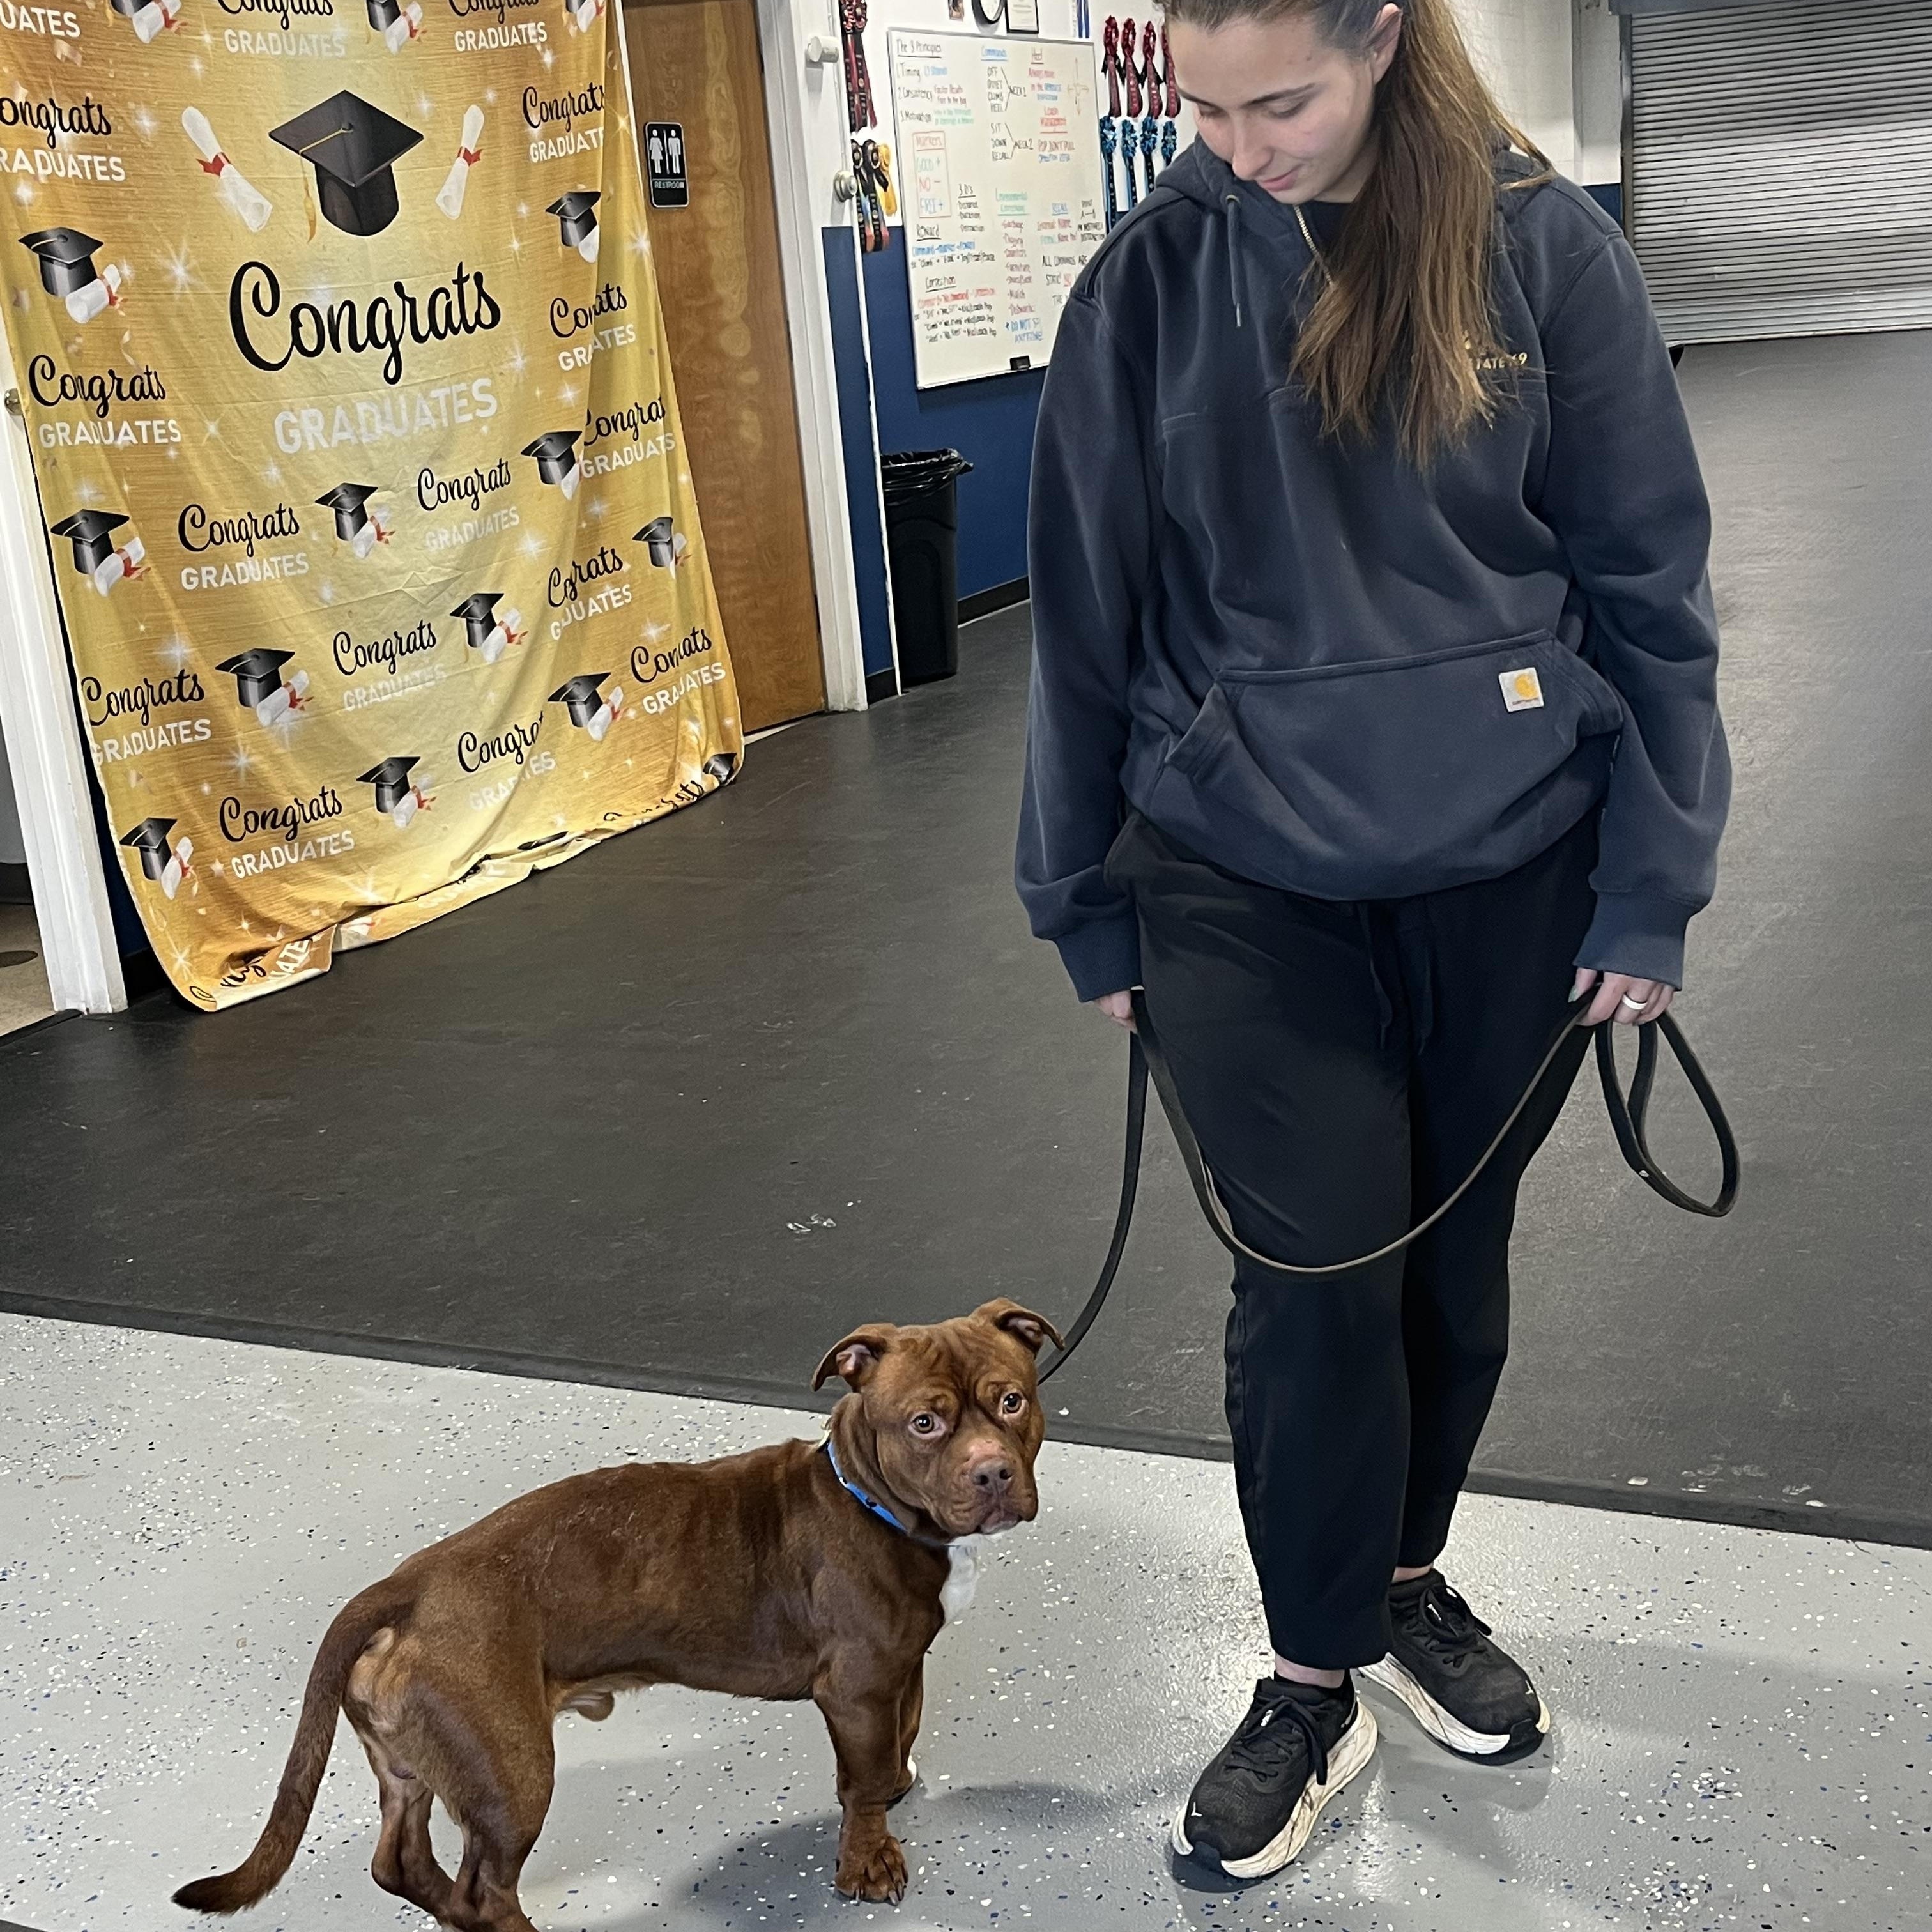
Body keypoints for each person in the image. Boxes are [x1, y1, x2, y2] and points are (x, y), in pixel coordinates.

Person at [1015, 0, 1729, 1883]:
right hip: (1240, 875)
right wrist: (1079, 893)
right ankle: (1311, 1671)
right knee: (1317, 1284)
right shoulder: (1149, 286)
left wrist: (1653, 881)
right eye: (1205, 103)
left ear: (1385, 42)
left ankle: (1403, 1581)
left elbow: (1650, 594)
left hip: (1519, 870)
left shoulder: (1540, 250)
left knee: (1448, 1276)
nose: (1241, 146)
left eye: (1285, 102)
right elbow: (1086, 618)